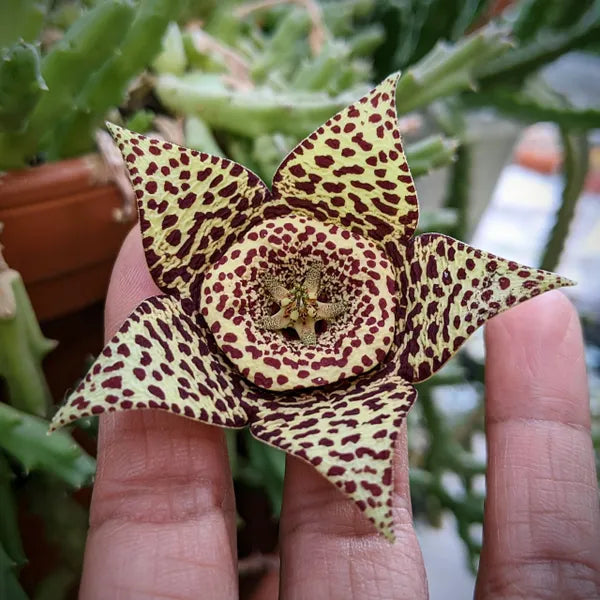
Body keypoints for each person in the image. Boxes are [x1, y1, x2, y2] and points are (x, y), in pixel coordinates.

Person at [77, 229, 600, 599]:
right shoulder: (192, 340)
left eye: (308, 306)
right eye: (293, 309)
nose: (302, 310)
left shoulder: (417, 299)